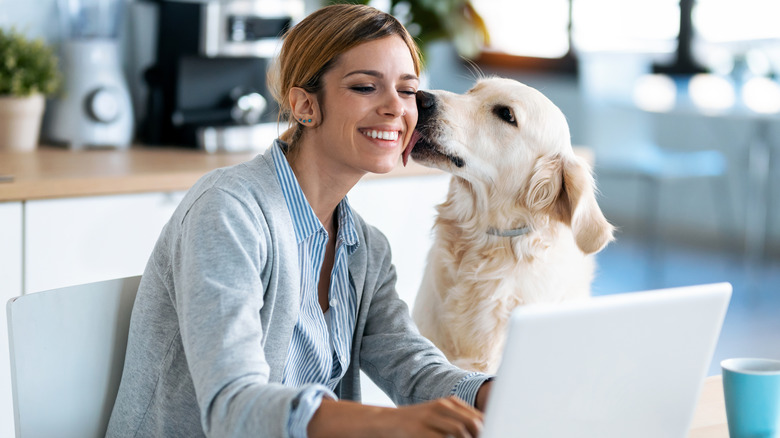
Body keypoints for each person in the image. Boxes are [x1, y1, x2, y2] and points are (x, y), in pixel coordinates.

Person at [106, 4, 492, 437]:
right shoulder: (229, 212)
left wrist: (490, 393)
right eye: (366, 87)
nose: (394, 109)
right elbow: (232, 405)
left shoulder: (365, 248)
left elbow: (412, 369)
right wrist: (392, 423)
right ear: (305, 105)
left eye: (407, 91)